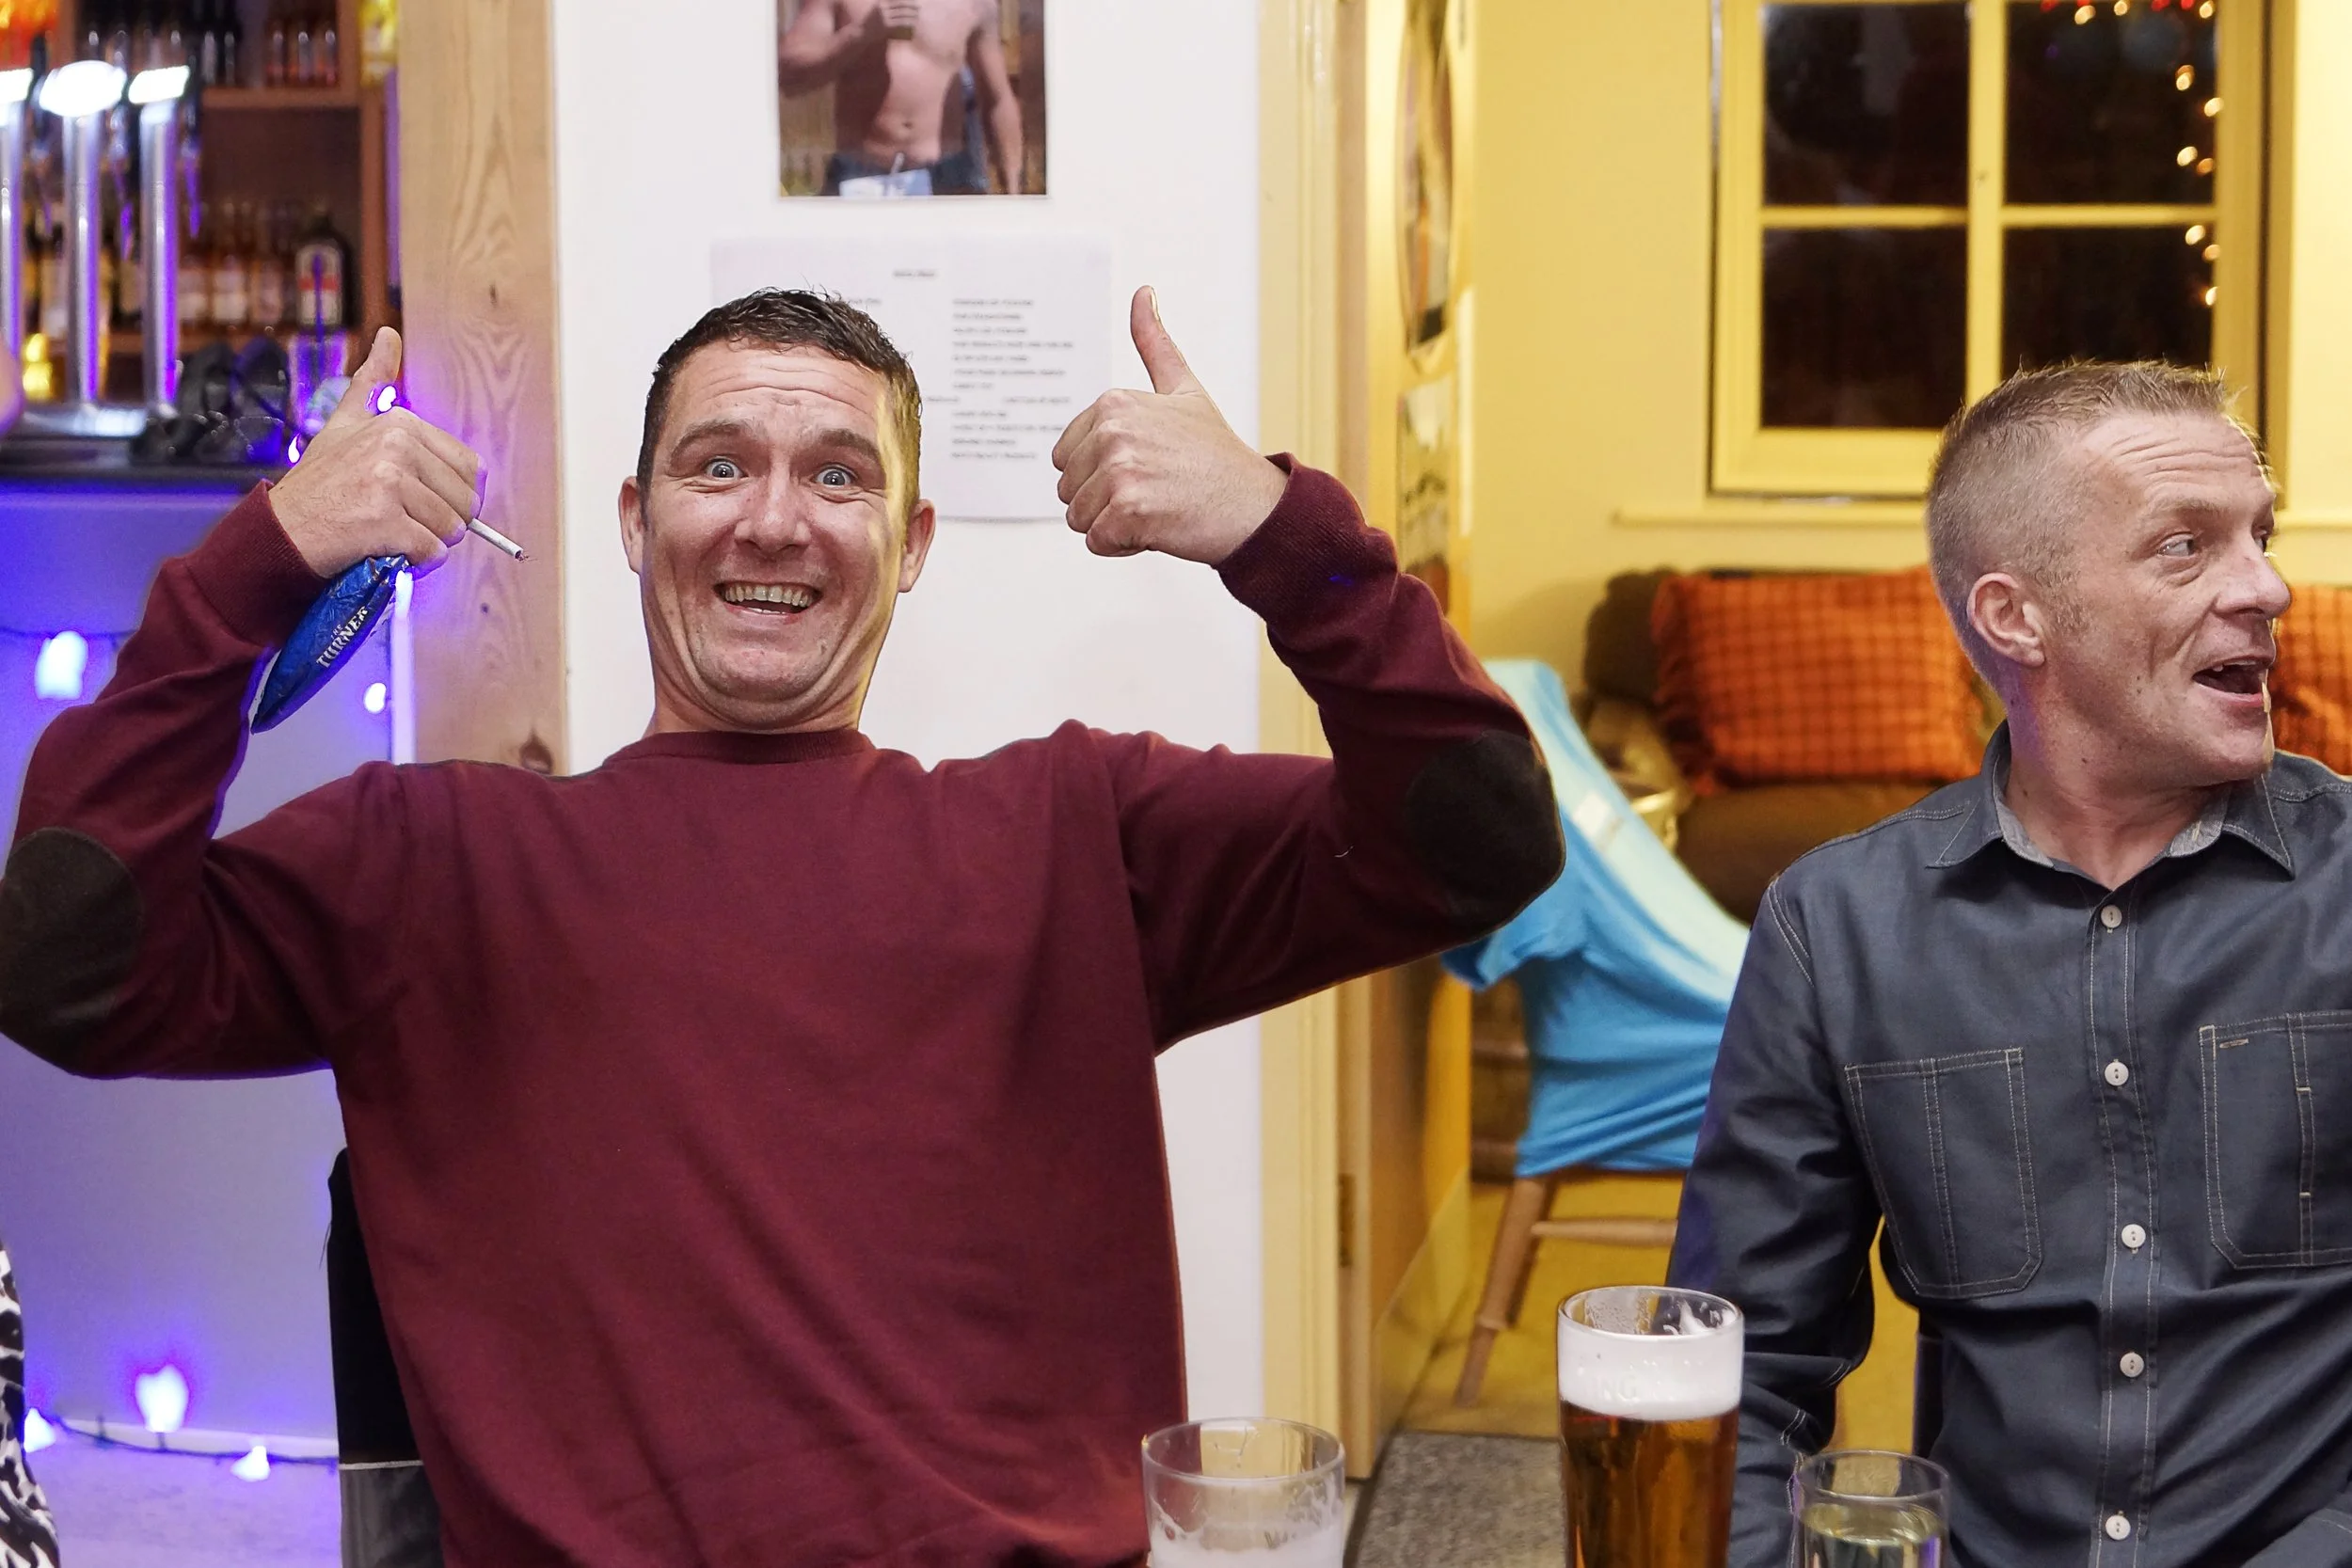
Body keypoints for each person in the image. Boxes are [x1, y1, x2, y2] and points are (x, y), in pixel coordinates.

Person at [0, 286, 1563, 1565]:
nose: (774, 520)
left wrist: (1277, 531)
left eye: (838, 474)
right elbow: (65, 959)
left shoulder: (1075, 832)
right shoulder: (433, 858)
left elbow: (1483, 834)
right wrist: (263, 554)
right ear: (632, 520)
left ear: (916, 544)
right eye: (717, 464)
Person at [1665, 361, 2352, 1567]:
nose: (2268, 586)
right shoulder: (1836, 929)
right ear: (2014, 616)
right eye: (2185, 547)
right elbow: (1739, 1371)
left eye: (2259, 534)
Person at [777, 0, 1024, 196]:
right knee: (852, 260)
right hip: (862, 174)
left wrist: (1013, 189)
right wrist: (859, 34)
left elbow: (998, 99)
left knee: (950, 260)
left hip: (946, 174)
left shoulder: (974, 4)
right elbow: (790, 79)